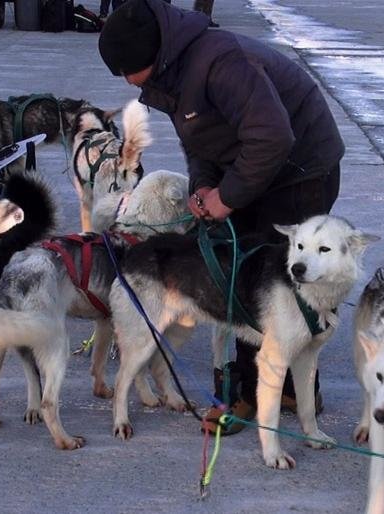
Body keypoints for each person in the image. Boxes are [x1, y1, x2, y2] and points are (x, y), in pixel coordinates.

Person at [98, 0, 344, 435]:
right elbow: (199, 141)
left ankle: (252, 394)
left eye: (126, 71)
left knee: (261, 286)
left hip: (301, 171)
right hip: (257, 167)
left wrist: (227, 198)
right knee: (259, 279)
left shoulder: (219, 62)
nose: (125, 81)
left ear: (149, 56)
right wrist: (201, 188)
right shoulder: (172, 71)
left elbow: (273, 137)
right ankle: (284, 387)